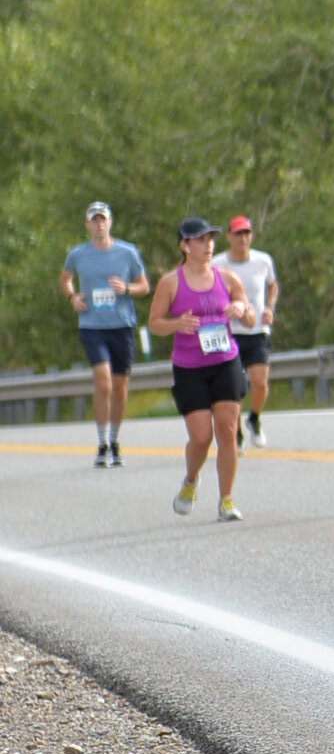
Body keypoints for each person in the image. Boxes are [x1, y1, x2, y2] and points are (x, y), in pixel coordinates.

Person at [148, 217, 258, 522]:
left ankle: (226, 500)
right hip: (190, 368)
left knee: (227, 430)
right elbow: (154, 323)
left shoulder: (228, 278)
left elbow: (250, 318)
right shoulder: (170, 283)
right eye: (200, 240)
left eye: (210, 239)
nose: (208, 245)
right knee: (201, 437)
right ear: (185, 246)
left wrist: (242, 309)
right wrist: (176, 324)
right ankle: (191, 480)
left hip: (225, 361)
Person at [60, 202, 149, 469]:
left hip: (121, 326)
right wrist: (72, 297)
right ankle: (101, 443)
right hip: (92, 326)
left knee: (120, 387)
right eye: (94, 220)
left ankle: (114, 440)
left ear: (110, 222)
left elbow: (144, 286)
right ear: (87, 225)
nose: (99, 224)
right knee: (104, 383)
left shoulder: (127, 252)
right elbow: (65, 278)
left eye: (103, 219)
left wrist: (127, 289)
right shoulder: (78, 254)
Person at [221, 215, 279, 444]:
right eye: (238, 234)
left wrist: (270, 308)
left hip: (257, 331)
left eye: (246, 233)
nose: (243, 239)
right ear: (229, 236)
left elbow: (272, 285)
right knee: (234, 386)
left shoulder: (262, 261)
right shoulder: (218, 264)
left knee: (260, 382)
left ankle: (254, 418)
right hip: (228, 333)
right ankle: (236, 432)